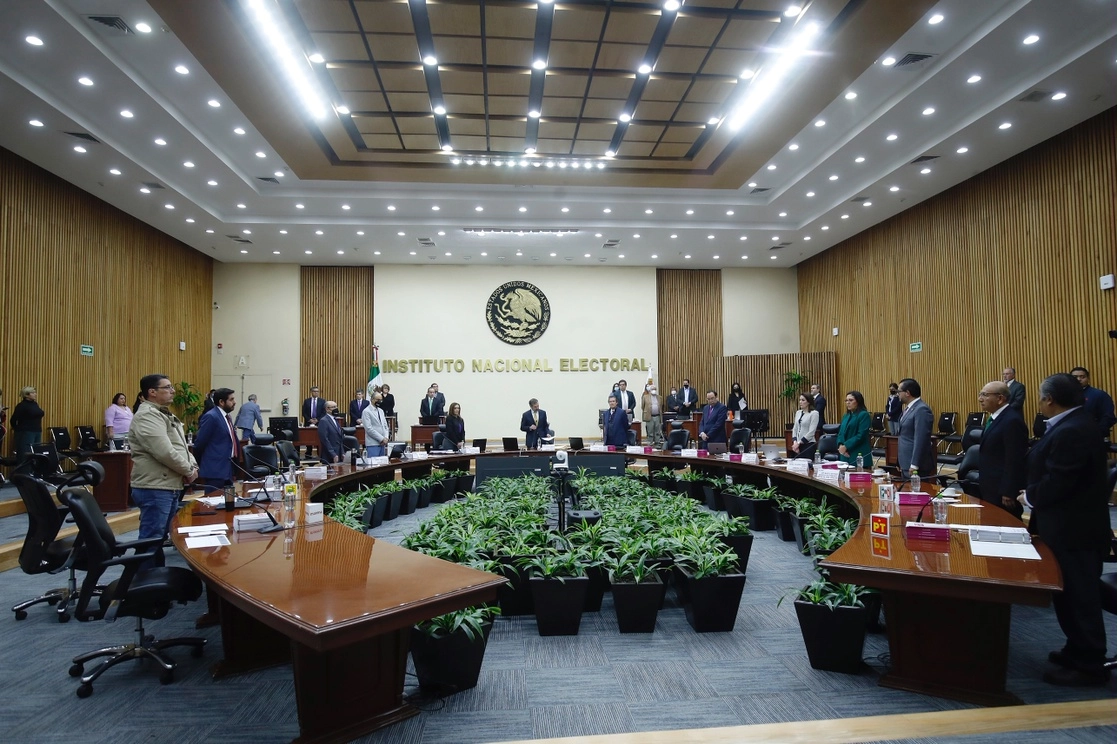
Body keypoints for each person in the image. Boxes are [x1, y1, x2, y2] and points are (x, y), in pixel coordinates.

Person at [1018, 373, 1111, 687]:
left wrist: (1029, 497)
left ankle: (1089, 664)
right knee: (1068, 593)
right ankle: (1076, 650)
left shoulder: (1073, 431)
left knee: (1081, 596)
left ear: (1049, 400)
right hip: (1067, 528)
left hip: (1076, 532)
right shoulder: (1073, 425)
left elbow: (1060, 481)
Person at [128, 374, 197, 569]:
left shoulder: (163, 413)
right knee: (151, 540)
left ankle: (155, 583)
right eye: (167, 387)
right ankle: (144, 587)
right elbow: (163, 451)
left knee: (158, 539)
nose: (172, 391)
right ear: (152, 392)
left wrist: (192, 465)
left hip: (167, 485)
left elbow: (181, 446)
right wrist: (188, 470)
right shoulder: (147, 415)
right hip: (154, 487)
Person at [977, 381, 1027, 518]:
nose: (980, 398)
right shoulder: (994, 418)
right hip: (990, 486)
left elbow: (1015, 459)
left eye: (984, 395)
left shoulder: (1012, 420)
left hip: (1002, 491)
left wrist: (1009, 491)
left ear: (1000, 398)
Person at [193, 387, 238, 494]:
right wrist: (202, 464)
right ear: (221, 402)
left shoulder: (227, 417)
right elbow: (199, 443)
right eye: (231, 400)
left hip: (227, 468)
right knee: (213, 505)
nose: (234, 402)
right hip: (214, 470)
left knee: (227, 505)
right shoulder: (211, 416)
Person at [896, 378, 936, 479]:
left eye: (899, 391)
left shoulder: (921, 409)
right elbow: (903, 436)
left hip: (915, 466)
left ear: (907, 393)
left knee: (916, 494)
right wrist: (899, 461)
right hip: (905, 463)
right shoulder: (908, 409)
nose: (897, 394)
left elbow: (921, 439)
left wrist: (914, 464)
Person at [1070, 367, 1115, 439]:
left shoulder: (1099, 395)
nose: (1078, 379)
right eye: (1075, 377)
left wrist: (1097, 432)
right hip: (1069, 436)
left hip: (1093, 437)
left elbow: (1108, 417)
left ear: (1088, 379)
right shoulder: (1065, 395)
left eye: (1082, 377)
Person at [836, 391, 872, 468]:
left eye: (851, 400)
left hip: (858, 453)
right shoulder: (846, 415)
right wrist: (840, 445)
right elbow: (841, 433)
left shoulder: (864, 415)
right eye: (846, 400)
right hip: (844, 454)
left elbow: (861, 435)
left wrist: (846, 446)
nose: (848, 402)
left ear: (858, 401)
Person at [10, 386, 44, 460]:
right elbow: (13, 420)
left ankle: (33, 470)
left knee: (36, 452)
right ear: (26, 395)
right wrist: (18, 430)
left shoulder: (35, 404)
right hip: (26, 432)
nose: (35, 394)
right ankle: (24, 471)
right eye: (33, 393)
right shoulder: (21, 406)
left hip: (37, 430)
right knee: (26, 453)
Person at [789, 393, 819, 459]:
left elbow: (811, 432)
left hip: (808, 445)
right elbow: (795, 428)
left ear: (808, 402)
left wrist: (799, 443)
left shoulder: (814, 413)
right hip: (797, 446)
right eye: (800, 400)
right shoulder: (798, 412)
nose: (800, 402)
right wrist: (795, 442)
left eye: (803, 400)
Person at [361, 391, 390, 457]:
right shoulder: (366, 411)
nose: (379, 401)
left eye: (381, 400)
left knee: (382, 464)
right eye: (378, 400)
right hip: (373, 443)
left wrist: (386, 437)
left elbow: (385, 426)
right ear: (372, 399)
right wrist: (381, 439)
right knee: (374, 464)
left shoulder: (381, 411)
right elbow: (369, 429)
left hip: (383, 444)